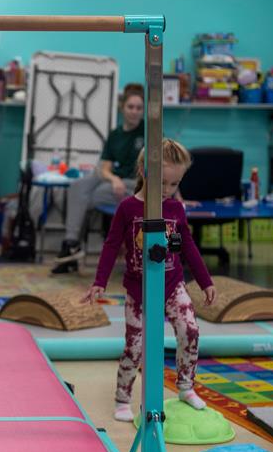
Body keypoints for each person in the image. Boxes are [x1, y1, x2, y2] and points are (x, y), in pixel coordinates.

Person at [81, 139, 217, 422]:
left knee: (189, 330)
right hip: (138, 289)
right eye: (163, 183)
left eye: (174, 184)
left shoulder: (175, 210)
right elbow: (111, 245)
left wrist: (205, 281)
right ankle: (122, 397)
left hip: (172, 285)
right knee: (135, 345)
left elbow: (185, 245)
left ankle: (185, 386)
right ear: (145, 172)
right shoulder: (128, 208)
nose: (167, 191)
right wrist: (99, 282)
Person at [52, 83, 145, 274]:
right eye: (130, 107)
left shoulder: (148, 132)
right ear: (122, 108)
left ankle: (72, 247)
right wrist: (113, 179)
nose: (134, 112)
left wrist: (177, 195)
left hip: (134, 184)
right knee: (77, 186)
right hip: (114, 179)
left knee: (92, 194)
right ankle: (71, 243)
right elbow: (105, 168)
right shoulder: (115, 135)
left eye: (139, 108)